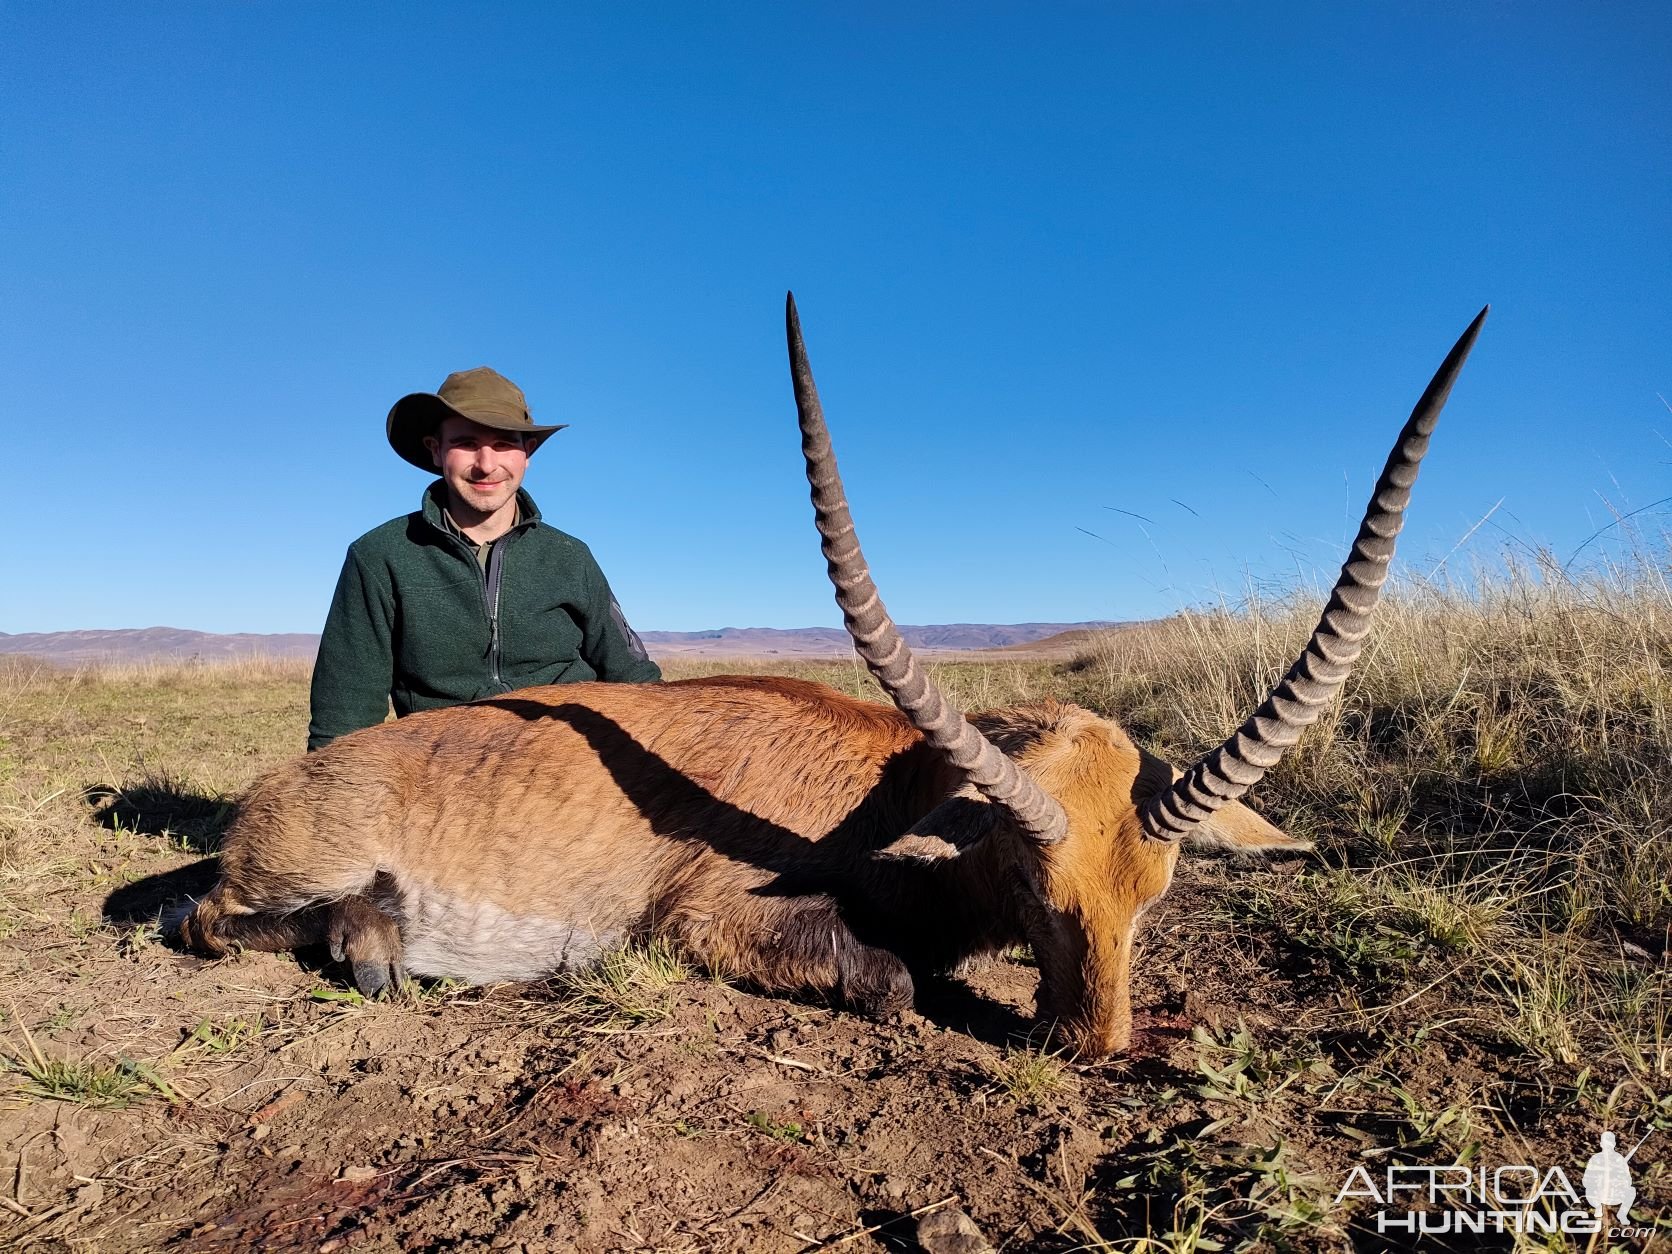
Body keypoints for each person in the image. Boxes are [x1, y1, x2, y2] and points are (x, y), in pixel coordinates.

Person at [306, 366, 661, 750]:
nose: (486, 464)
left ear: (527, 454)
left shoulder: (571, 557)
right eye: (467, 443)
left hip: (569, 762)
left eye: (505, 443)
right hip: (446, 768)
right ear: (436, 449)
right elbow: (343, 718)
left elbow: (634, 676)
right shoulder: (379, 556)